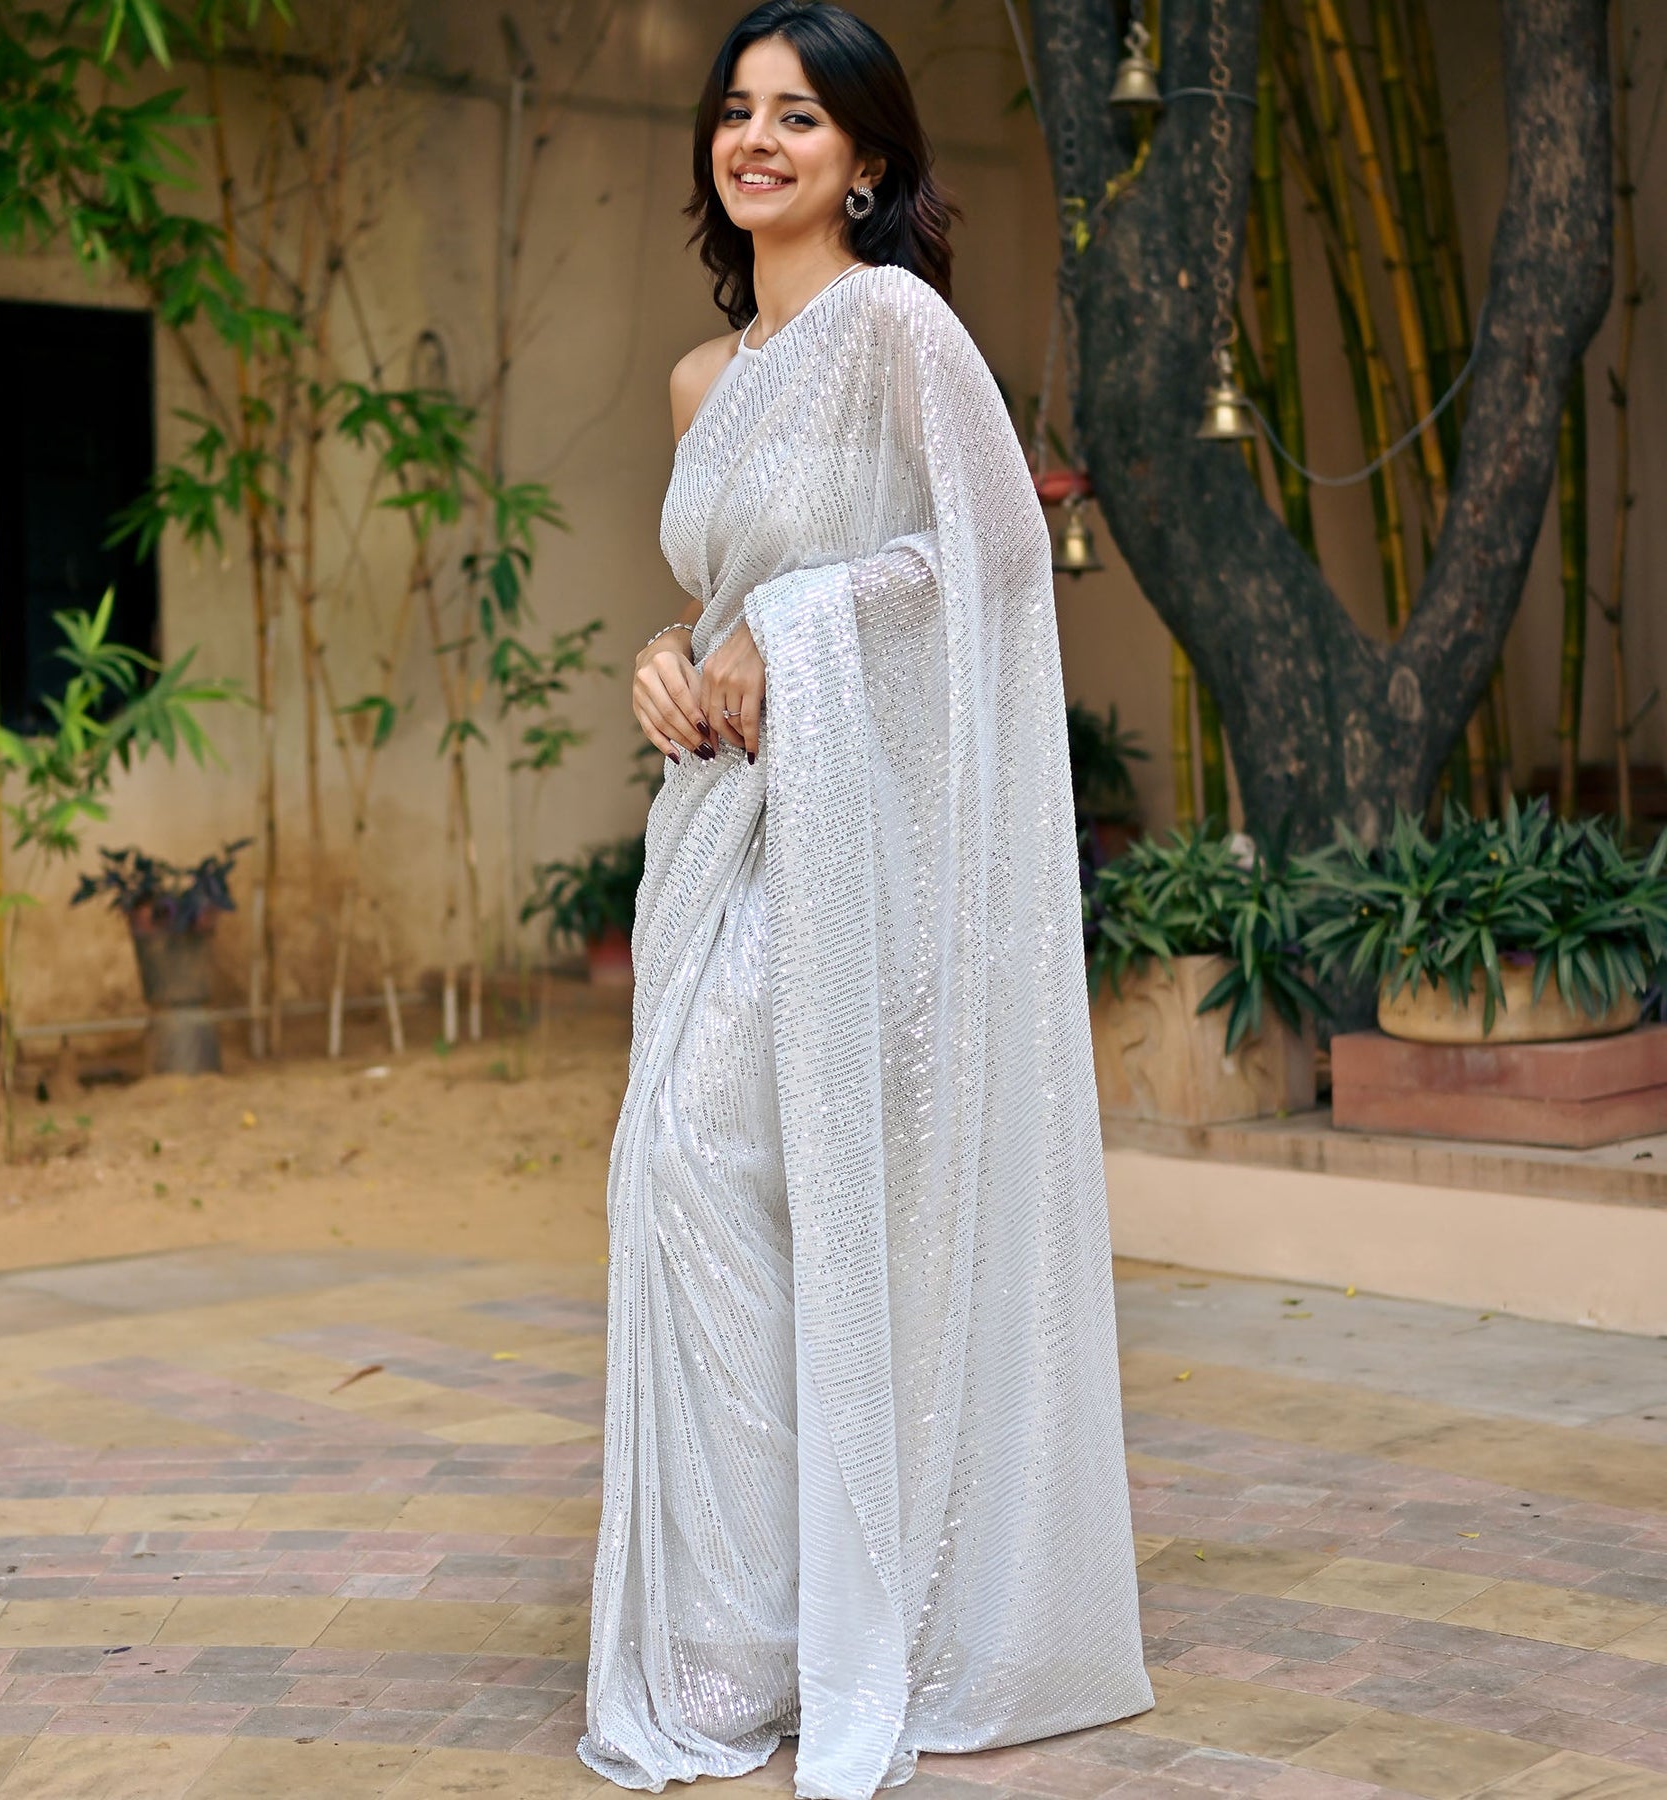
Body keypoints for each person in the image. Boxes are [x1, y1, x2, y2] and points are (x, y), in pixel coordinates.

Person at [579, 5, 1155, 1795]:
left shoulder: (901, 330)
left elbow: (985, 569)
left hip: (860, 841)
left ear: (871, 159)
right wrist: (669, 651)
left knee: (752, 1175)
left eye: (801, 117)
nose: (760, 141)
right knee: (679, 1186)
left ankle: (835, 1622)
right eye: (738, 113)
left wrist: (791, 636)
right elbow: (719, 587)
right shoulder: (701, 375)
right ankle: (736, 1634)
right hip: (721, 836)